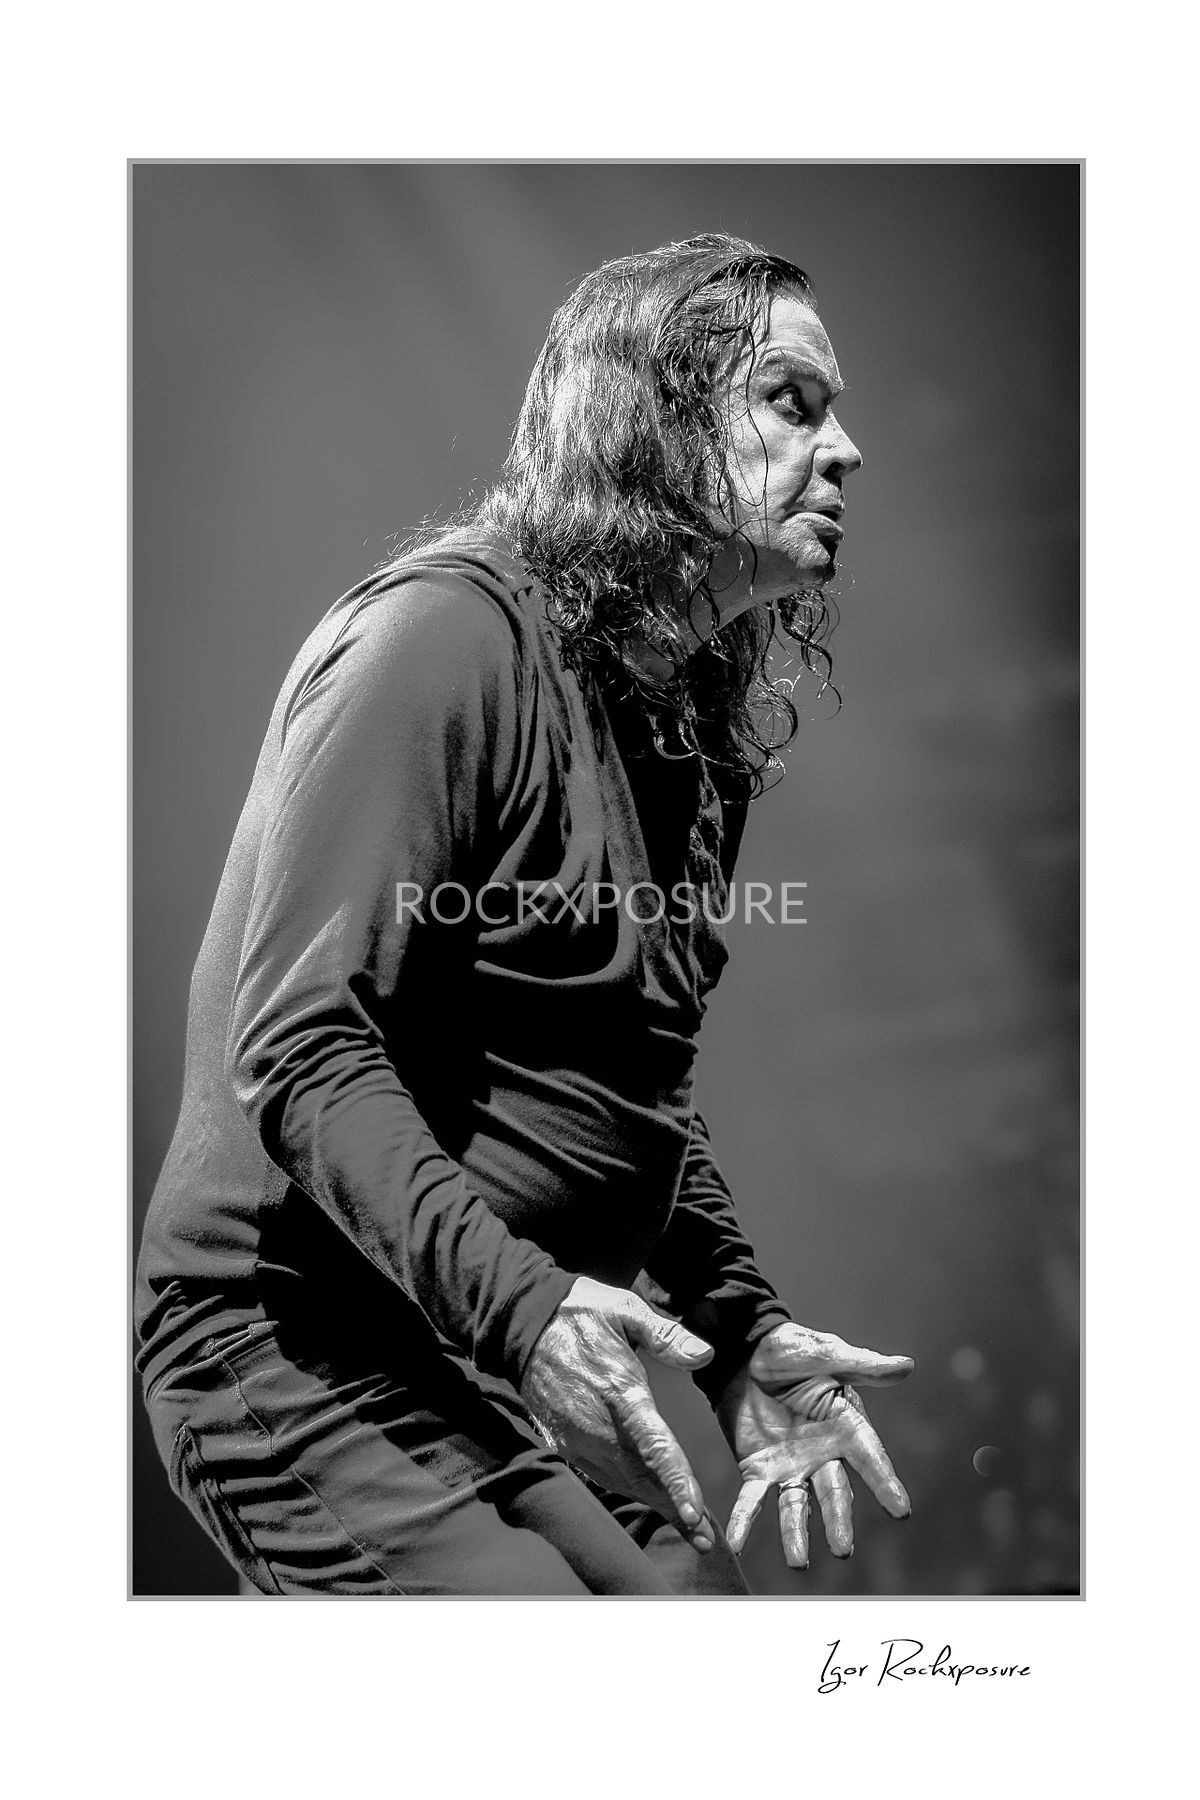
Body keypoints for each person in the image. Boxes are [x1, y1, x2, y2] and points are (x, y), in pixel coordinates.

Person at [136, 232, 915, 1596]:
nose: (844, 449)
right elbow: (300, 1043)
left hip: (495, 1343)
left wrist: (739, 1333)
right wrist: (526, 1309)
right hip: (297, 1342)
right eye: (793, 402)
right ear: (660, 421)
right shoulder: (447, 640)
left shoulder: (691, 744)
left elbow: (630, 1094)